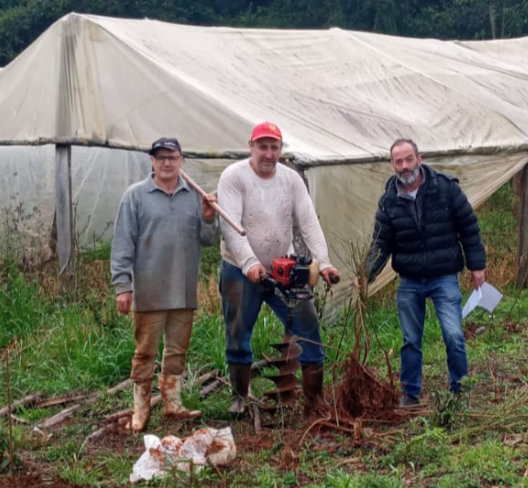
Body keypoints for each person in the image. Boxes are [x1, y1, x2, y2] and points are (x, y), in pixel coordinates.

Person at [217, 121, 340, 415]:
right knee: (237, 331)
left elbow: (308, 222)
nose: (268, 154)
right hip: (240, 269)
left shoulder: (291, 179)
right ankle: (240, 397)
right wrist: (249, 263)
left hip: (282, 268)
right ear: (251, 147)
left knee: (307, 327)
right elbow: (230, 226)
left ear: (280, 150)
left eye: (274, 147)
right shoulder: (234, 177)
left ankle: (314, 401)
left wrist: (323, 262)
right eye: (263, 147)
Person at [362, 138, 486, 407]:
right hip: (410, 279)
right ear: (392, 165)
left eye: (409, 159)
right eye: (399, 161)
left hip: (444, 276)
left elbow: (469, 227)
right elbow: (381, 242)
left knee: (453, 334)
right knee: (410, 340)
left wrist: (477, 266)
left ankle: (460, 389)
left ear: (419, 159)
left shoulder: (444, 188)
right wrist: (365, 274)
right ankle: (411, 392)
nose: (405, 166)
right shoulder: (389, 201)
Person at [111, 137, 220, 432]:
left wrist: (209, 217)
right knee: (144, 352)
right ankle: (140, 409)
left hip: (183, 290)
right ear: (151, 161)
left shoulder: (193, 197)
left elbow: (209, 241)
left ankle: (172, 403)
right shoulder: (135, 196)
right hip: (149, 291)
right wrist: (123, 286)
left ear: (181, 160)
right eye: (161, 158)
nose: (167, 163)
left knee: (177, 350)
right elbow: (122, 244)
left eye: (172, 157)